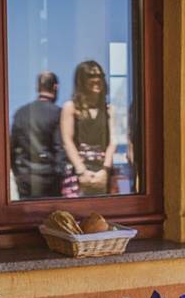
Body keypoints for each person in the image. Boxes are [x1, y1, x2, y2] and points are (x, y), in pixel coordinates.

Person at [60, 60, 116, 196]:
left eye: (100, 76)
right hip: (79, 170)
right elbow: (67, 141)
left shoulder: (110, 109)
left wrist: (105, 170)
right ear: (82, 80)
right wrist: (81, 171)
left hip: (102, 170)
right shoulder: (70, 108)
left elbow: (113, 141)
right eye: (91, 76)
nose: (97, 80)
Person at [10, 72, 66, 198]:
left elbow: (11, 148)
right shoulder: (57, 113)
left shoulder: (20, 113)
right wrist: (60, 174)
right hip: (50, 178)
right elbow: (60, 148)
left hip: (25, 177)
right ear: (55, 87)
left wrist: (18, 173)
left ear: (37, 88)